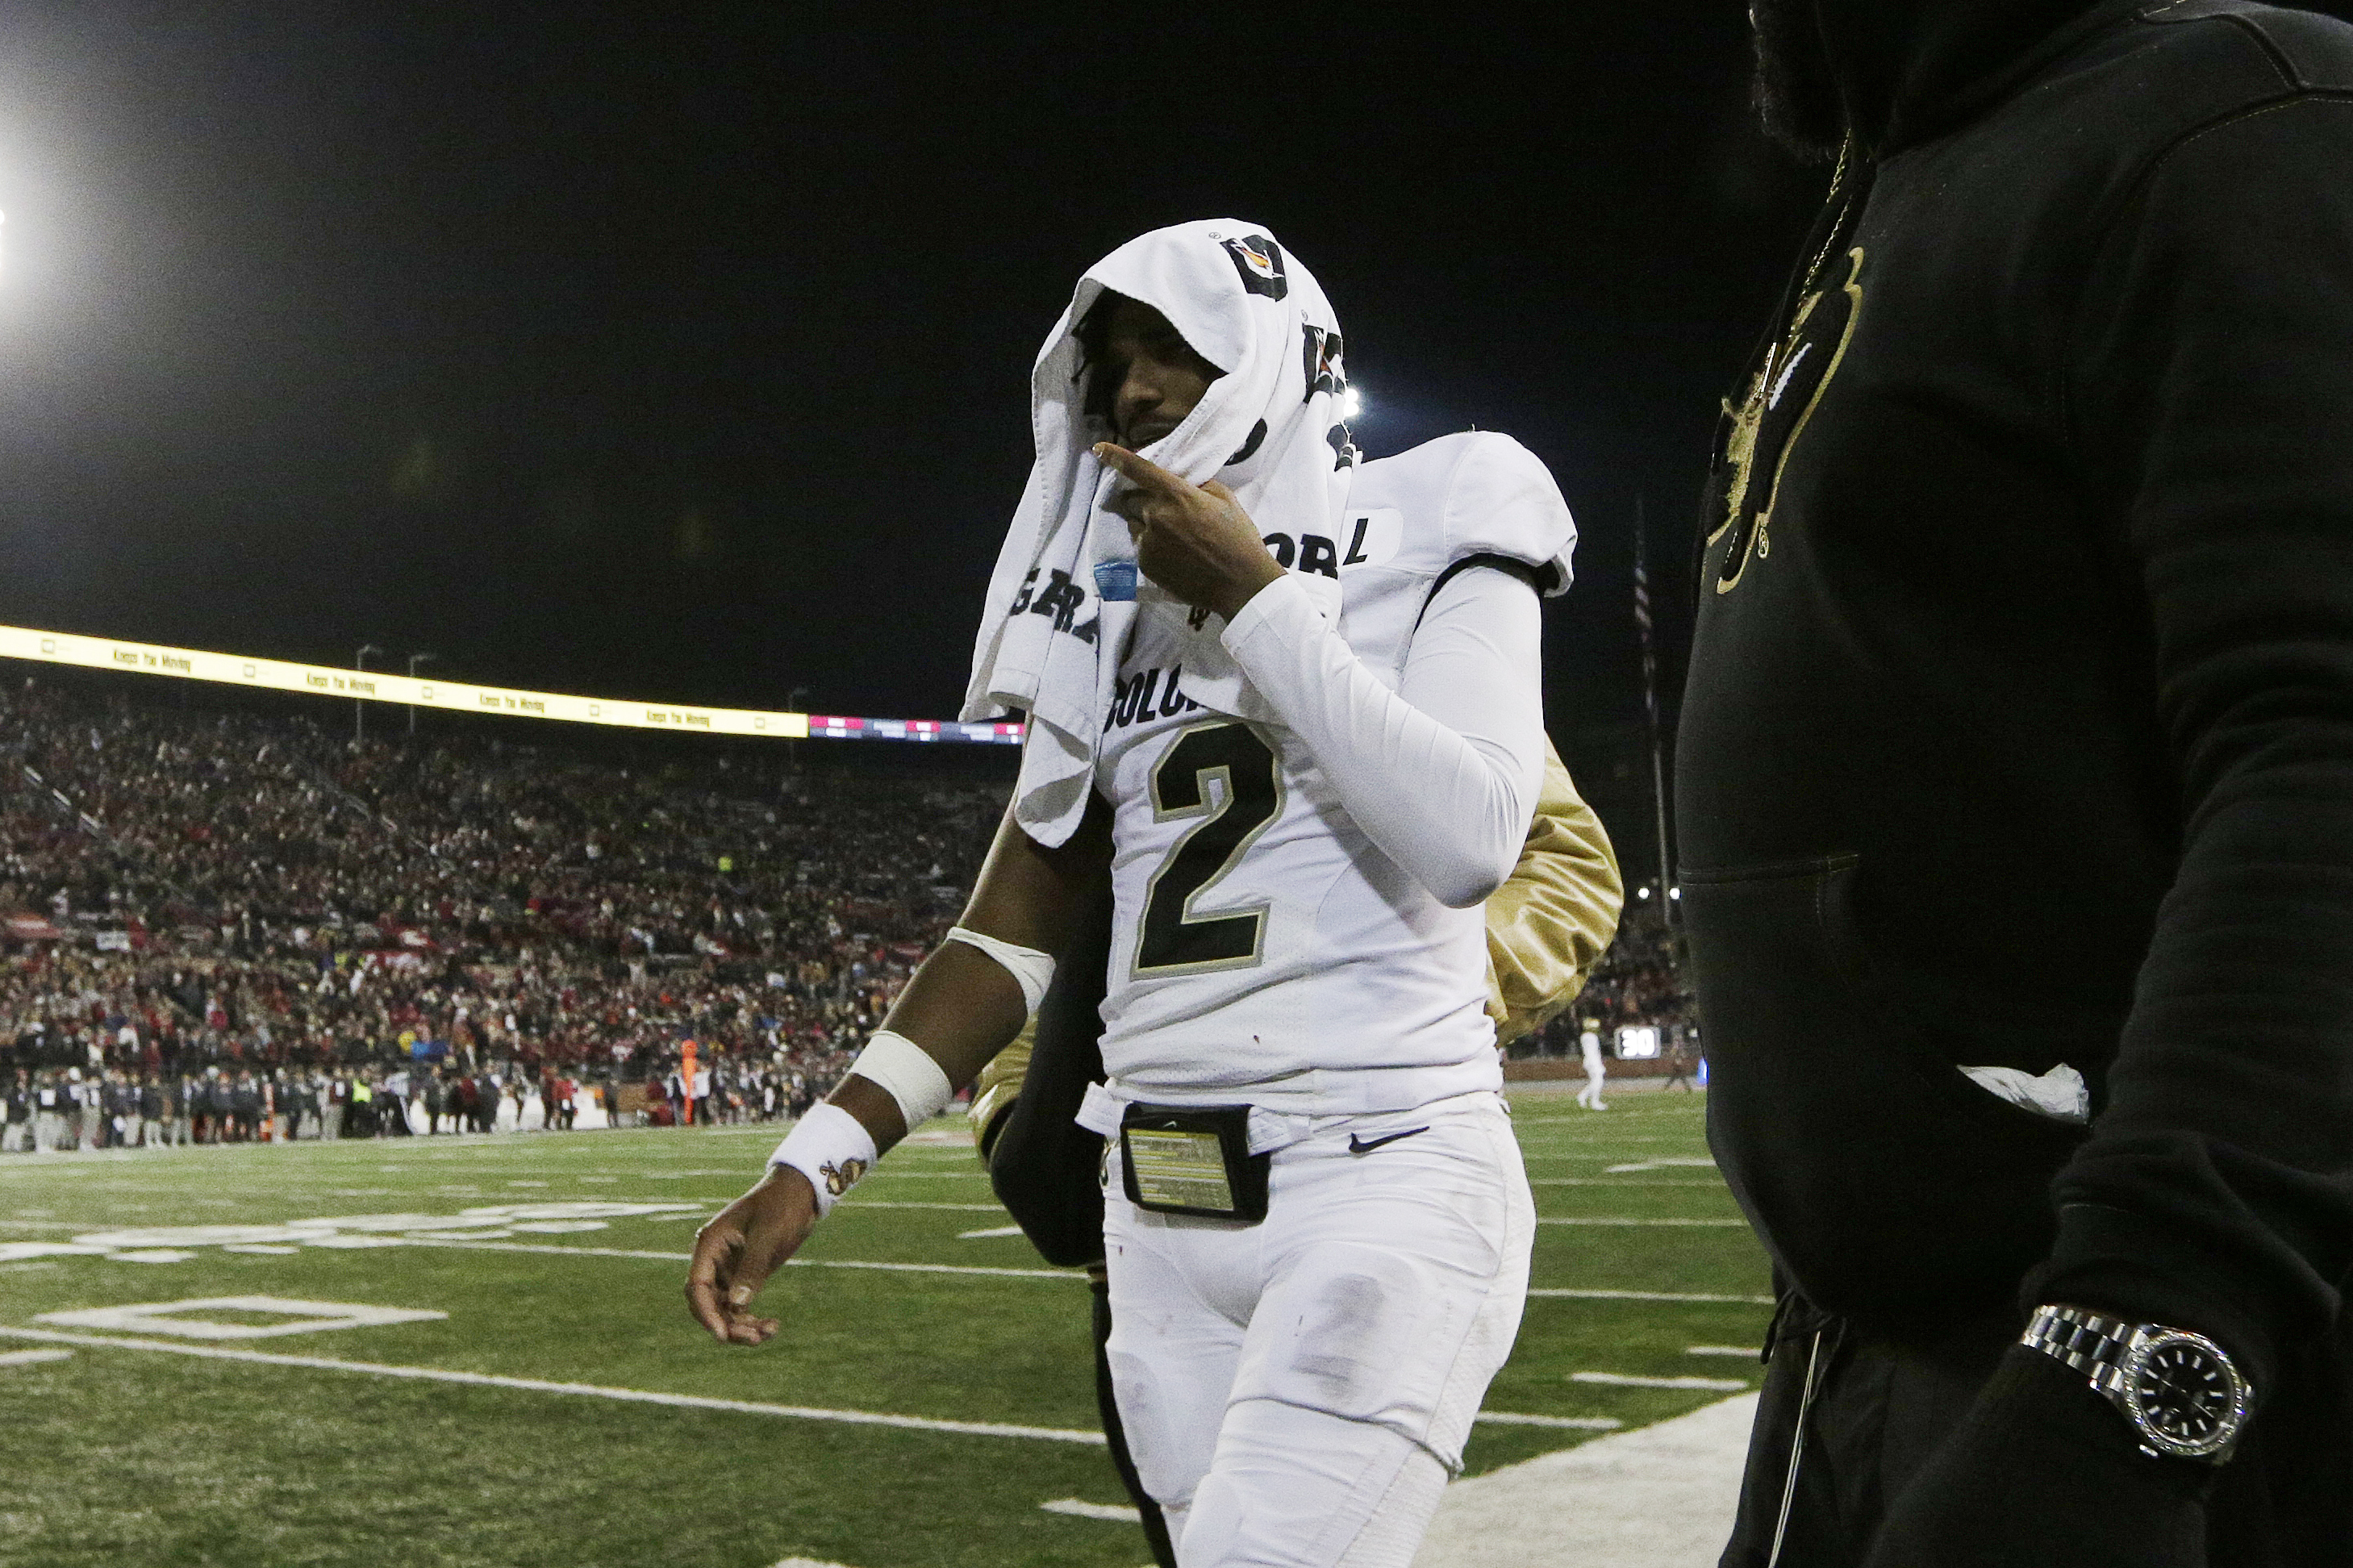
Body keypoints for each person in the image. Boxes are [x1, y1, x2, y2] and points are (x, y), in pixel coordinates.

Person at [690, 220, 1580, 1567]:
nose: (1137, 390)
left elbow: (1470, 836)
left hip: (1376, 1171)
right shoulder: (1109, 598)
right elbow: (1005, 923)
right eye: (1112, 362)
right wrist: (810, 1164)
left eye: (1172, 348)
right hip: (1153, 1210)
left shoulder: (1442, 502)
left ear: (1279, 351)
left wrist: (1255, 600)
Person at [1686, 4, 2353, 1564]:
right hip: (1882, 1345)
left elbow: (2320, 744)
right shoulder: (1912, 183)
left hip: (2164, 1376)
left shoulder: (2232, 119)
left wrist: (2127, 1371)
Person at [970, 737, 1621, 1566]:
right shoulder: (1105, 649)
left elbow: (1560, 857)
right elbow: (1035, 920)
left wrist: (1383, 1013)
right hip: (1158, 1220)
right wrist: (1026, 1110)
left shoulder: (1399, 610)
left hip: (1353, 1174)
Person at [1573, 1020, 1607, 1111]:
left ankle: (1583, 1095)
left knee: (1596, 1081)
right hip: (1593, 1060)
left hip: (1591, 1060)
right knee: (1598, 1081)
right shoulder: (1590, 1036)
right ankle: (1594, 1102)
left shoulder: (1585, 1036)